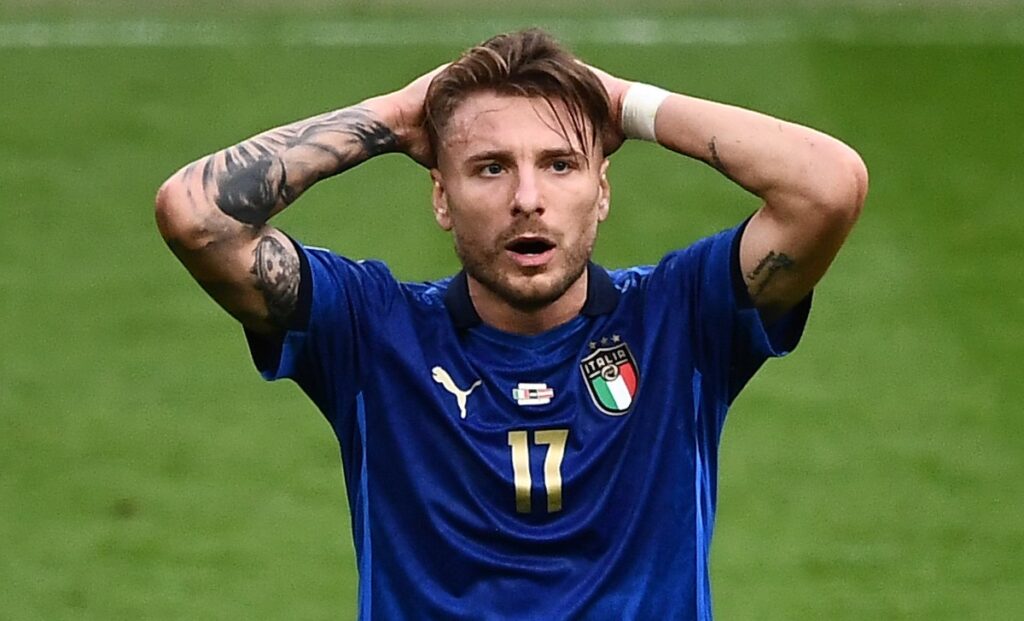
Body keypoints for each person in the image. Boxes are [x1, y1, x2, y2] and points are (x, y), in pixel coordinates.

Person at [156, 28, 867, 620]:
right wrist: (397, 116)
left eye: (560, 164)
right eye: (491, 168)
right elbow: (195, 215)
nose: (528, 198)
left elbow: (828, 186)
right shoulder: (371, 331)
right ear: (442, 197)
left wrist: (626, 102)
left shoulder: (679, 319)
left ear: (601, 191)